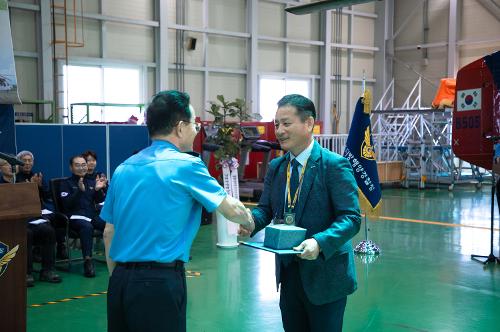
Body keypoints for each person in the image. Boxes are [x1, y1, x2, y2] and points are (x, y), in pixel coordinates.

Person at [100, 90, 253, 332]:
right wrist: (250, 220)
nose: (197, 130)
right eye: (195, 124)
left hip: (120, 281)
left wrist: (119, 279)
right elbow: (230, 208)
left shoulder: (123, 169)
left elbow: (109, 232)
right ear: (180, 127)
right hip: (159, 283)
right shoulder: (186, 165)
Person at [239, 94, 361, 332]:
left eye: (286, 123)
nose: (279, 131)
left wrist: (319, 242)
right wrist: (251, 222)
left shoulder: (334, 166)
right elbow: (266, 209)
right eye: (276, 125)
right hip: (289, 272)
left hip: (325, 276)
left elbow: (351, 218)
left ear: (308, 124)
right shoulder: (276, 167)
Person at [0, 158, 62, 287]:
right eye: (6, 165)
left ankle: (47, 270)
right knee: (26, 234)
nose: (11, 167)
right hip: (9, 224)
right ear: (0, 169)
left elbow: (34, 204)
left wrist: (33, 187)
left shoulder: (21, 182)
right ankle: (26, 272)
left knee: (48, 231)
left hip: (29, 219)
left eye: (12, 165)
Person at [59, 155, 107, 277]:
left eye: (83, 165)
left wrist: (98, 190)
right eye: (78, 165)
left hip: (91, 215)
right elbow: (66, 205)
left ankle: (117, 256)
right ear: (71, 168)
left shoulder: (91, 181)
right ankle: (88, 261)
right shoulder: (65, 183)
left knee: (110, 224)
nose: (81, 168)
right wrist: (79, 191)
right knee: (87, 227)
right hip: (74, 217)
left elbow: (100, 200)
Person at [16, 150, 68, 259]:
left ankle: (61, 246)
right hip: (26, 211)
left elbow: (47, 196)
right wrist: (29, 186)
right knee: (46, 223)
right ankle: (38, 249)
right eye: (24, 161)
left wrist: (40, 186)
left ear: (33, 162)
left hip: (41, 208)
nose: (27, 163)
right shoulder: (15, 178)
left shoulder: (37, 175)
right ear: (18, 163)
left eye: (30, 160)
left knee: (59, 218)